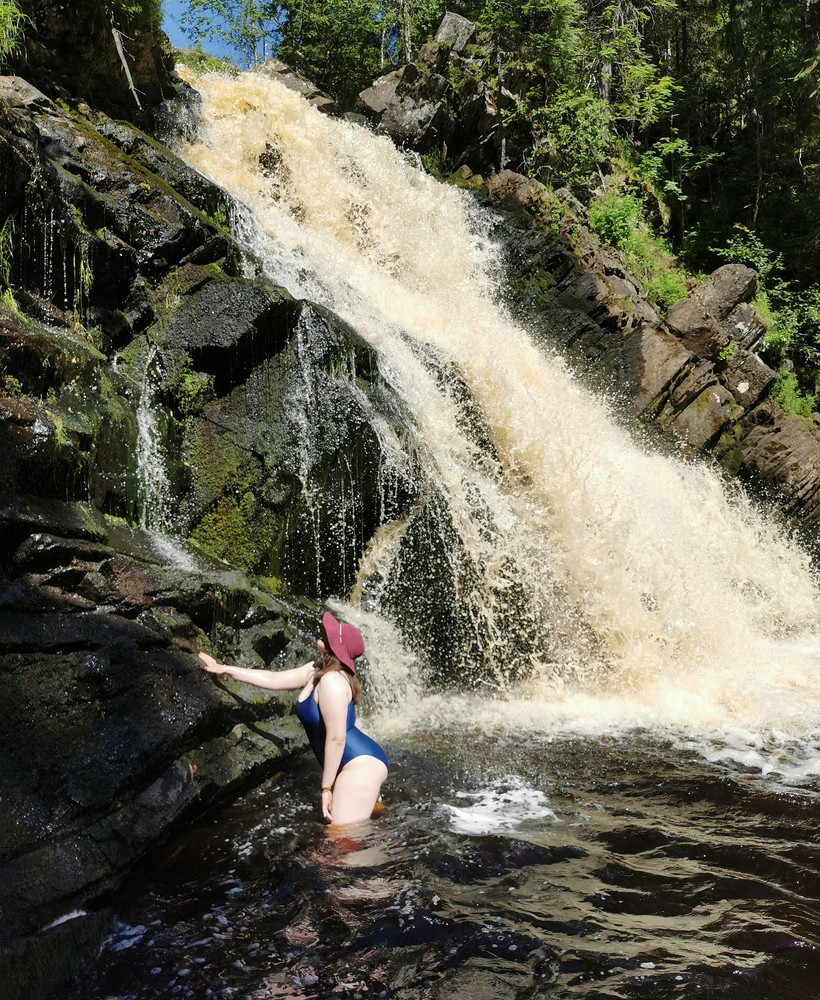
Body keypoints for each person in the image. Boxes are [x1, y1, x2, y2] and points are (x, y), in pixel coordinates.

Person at [199, 612, 388, 826]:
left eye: (329, 635)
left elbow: (337, 739)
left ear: (335, 648)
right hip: (356, 762)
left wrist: (326, 789)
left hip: (360, 767)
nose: (323, 634)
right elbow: (272, 679)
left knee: (340, 841)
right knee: (356, 836)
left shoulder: (332, 682)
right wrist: (223, 669)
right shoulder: (316, 669)